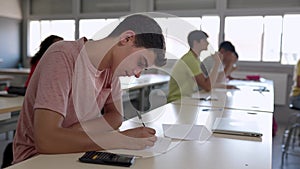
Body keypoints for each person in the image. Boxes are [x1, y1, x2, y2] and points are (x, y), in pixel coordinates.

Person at [13, 14, 166, 164]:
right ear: (126, 38)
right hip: (36, 160)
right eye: (141, 62)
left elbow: (116, 117)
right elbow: (46, 140)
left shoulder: (111, 70)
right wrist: (120, 139)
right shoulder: (63, 55)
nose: (138, 74)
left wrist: (76, 130)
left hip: (76, 153)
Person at [167, 30, 221, 103]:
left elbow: (207, 83)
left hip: (185, 99)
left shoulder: (195, 59)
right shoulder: (190, 60)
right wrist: (217, 63)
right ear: (196, 42)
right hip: (177, 100)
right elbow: (207, 86)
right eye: (204, 40)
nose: (208, 43)